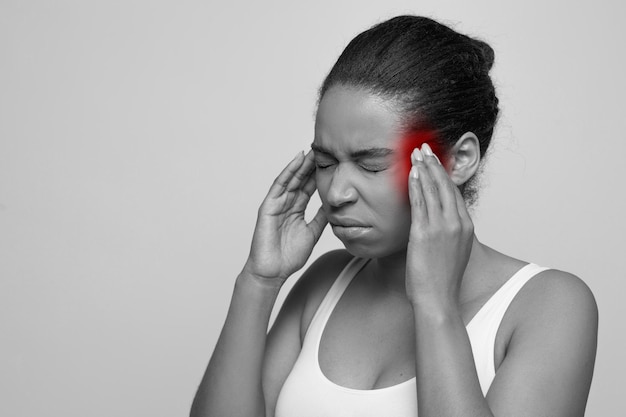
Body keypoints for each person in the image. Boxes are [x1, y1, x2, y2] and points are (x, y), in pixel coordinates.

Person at [190, 15, 598, 417]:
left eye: (370, 165)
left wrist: (435, 303)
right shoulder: (324, 281)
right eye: (326, 161)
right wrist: (258, 282)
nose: (336, 192)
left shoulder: (550, 306)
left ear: (459, 160)